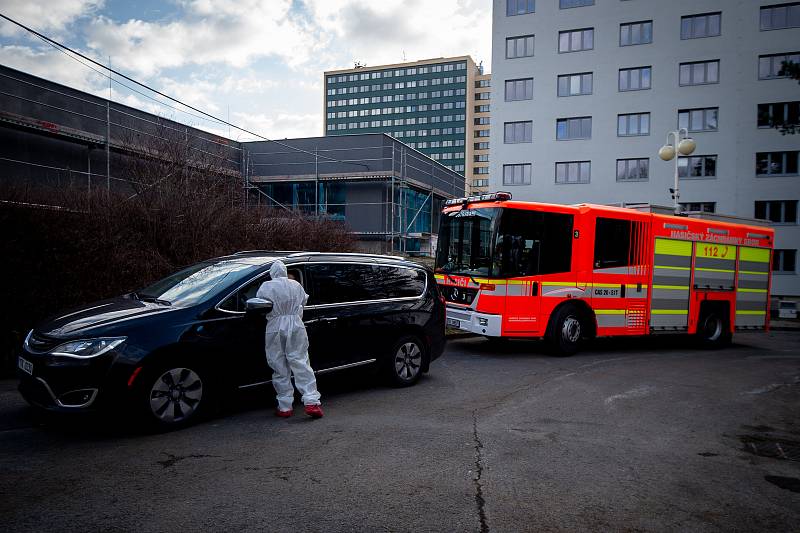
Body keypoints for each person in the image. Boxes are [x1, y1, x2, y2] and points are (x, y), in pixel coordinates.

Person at [256, 260, 323, 419]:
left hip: (275, 326)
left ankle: (285, 406)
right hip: (295, 324)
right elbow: (303, 301)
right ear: (285, 272)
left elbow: (260, 304)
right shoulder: (295, 285)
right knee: (300, 361)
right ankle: (311, 401)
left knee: (278, 364)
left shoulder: (266, 286)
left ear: (272, 273)